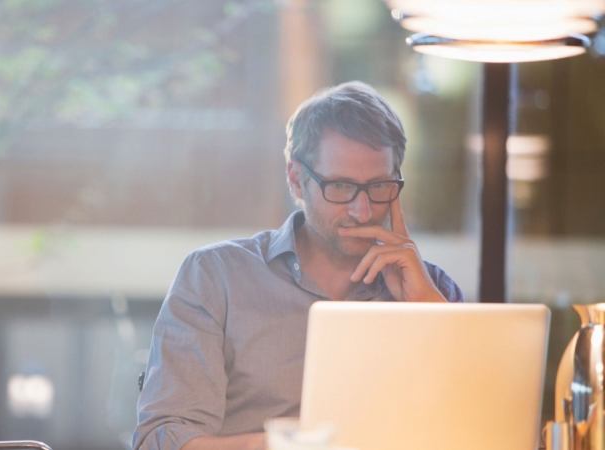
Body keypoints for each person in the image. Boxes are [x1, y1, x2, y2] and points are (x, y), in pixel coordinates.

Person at [132, 81, 463, 450]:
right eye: (341, 187)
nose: (363, 210)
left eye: (379, 186)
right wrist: (291, 444)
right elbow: (161, 441)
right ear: (296, 180)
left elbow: (477, 424)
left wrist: (426, 311)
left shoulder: (431, 288)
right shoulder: (216, 277)